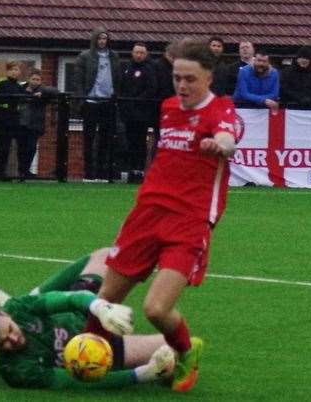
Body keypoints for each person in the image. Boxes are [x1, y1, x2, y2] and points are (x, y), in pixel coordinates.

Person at [83, 39, 238, 392]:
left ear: (209, 78)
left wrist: (220, 144)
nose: (182, 86)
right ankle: (84, 356)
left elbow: (229, 138)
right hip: (147, 213)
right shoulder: (168, 107)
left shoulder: (222, 110)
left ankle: (186, 351)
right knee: (105, 302)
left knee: (156, 308)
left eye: (190, 80)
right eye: (177, 78)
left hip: (189, 221)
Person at [0, 248, 175, 390]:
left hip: (80, 314)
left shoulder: (17, 310)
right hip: (94, 349)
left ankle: (31, 295)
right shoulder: (16, 371)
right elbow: (74, 382)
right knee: (171, 351)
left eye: (10, 329)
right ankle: (32, 296)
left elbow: (67, 299)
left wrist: (100, 308)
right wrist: (140, 375)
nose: (13, 339)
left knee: (105, 254)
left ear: (6, 315)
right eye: (3, 343)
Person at [72, 27, 121, 180]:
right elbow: (78, 80)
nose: (102, 41)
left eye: (104, 39)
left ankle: (102, 172)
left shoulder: (114, 56)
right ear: (95, 40)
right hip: (91, 101)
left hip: (108, 102)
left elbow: (118, 78)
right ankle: (88, 173)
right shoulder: (85, 56)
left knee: (106, 139)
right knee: (89, 138)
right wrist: (81, 98)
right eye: (99, 39)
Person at [118, 43, 158, 181]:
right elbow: (121, 86)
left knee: (141, 142)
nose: (139, 55)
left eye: (141, 53)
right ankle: (130, 170)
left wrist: (138, 100)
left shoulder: (149, 69)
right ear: (132, 53)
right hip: (128, 113)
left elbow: (152, 89)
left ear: (145, 54)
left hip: (142, 114)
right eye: (136, 52)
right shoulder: (126, 68)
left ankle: (140, 170)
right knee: (129, 141)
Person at [0, 61, 30, 180]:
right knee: (2, 146)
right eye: (12, 69)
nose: (14, 72)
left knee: (14, 147)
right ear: (7, 71)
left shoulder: (19, 86)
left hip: (15, 120)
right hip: (2, 120)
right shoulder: (2, 82)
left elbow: (25, 98)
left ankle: (20, 172)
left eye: (17, 70)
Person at [20, 69, 58, 178]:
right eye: (33, 79)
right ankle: (22, 170)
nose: (35, 81)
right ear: (28, 79)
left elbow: (56, 91)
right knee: (21, 148)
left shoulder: (43, 90)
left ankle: (25, 170)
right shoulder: (21, 88)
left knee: (31, 148)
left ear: (41, 81)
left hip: (35, 125)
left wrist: (43, 93)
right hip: (21, 123)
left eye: (38, 79)